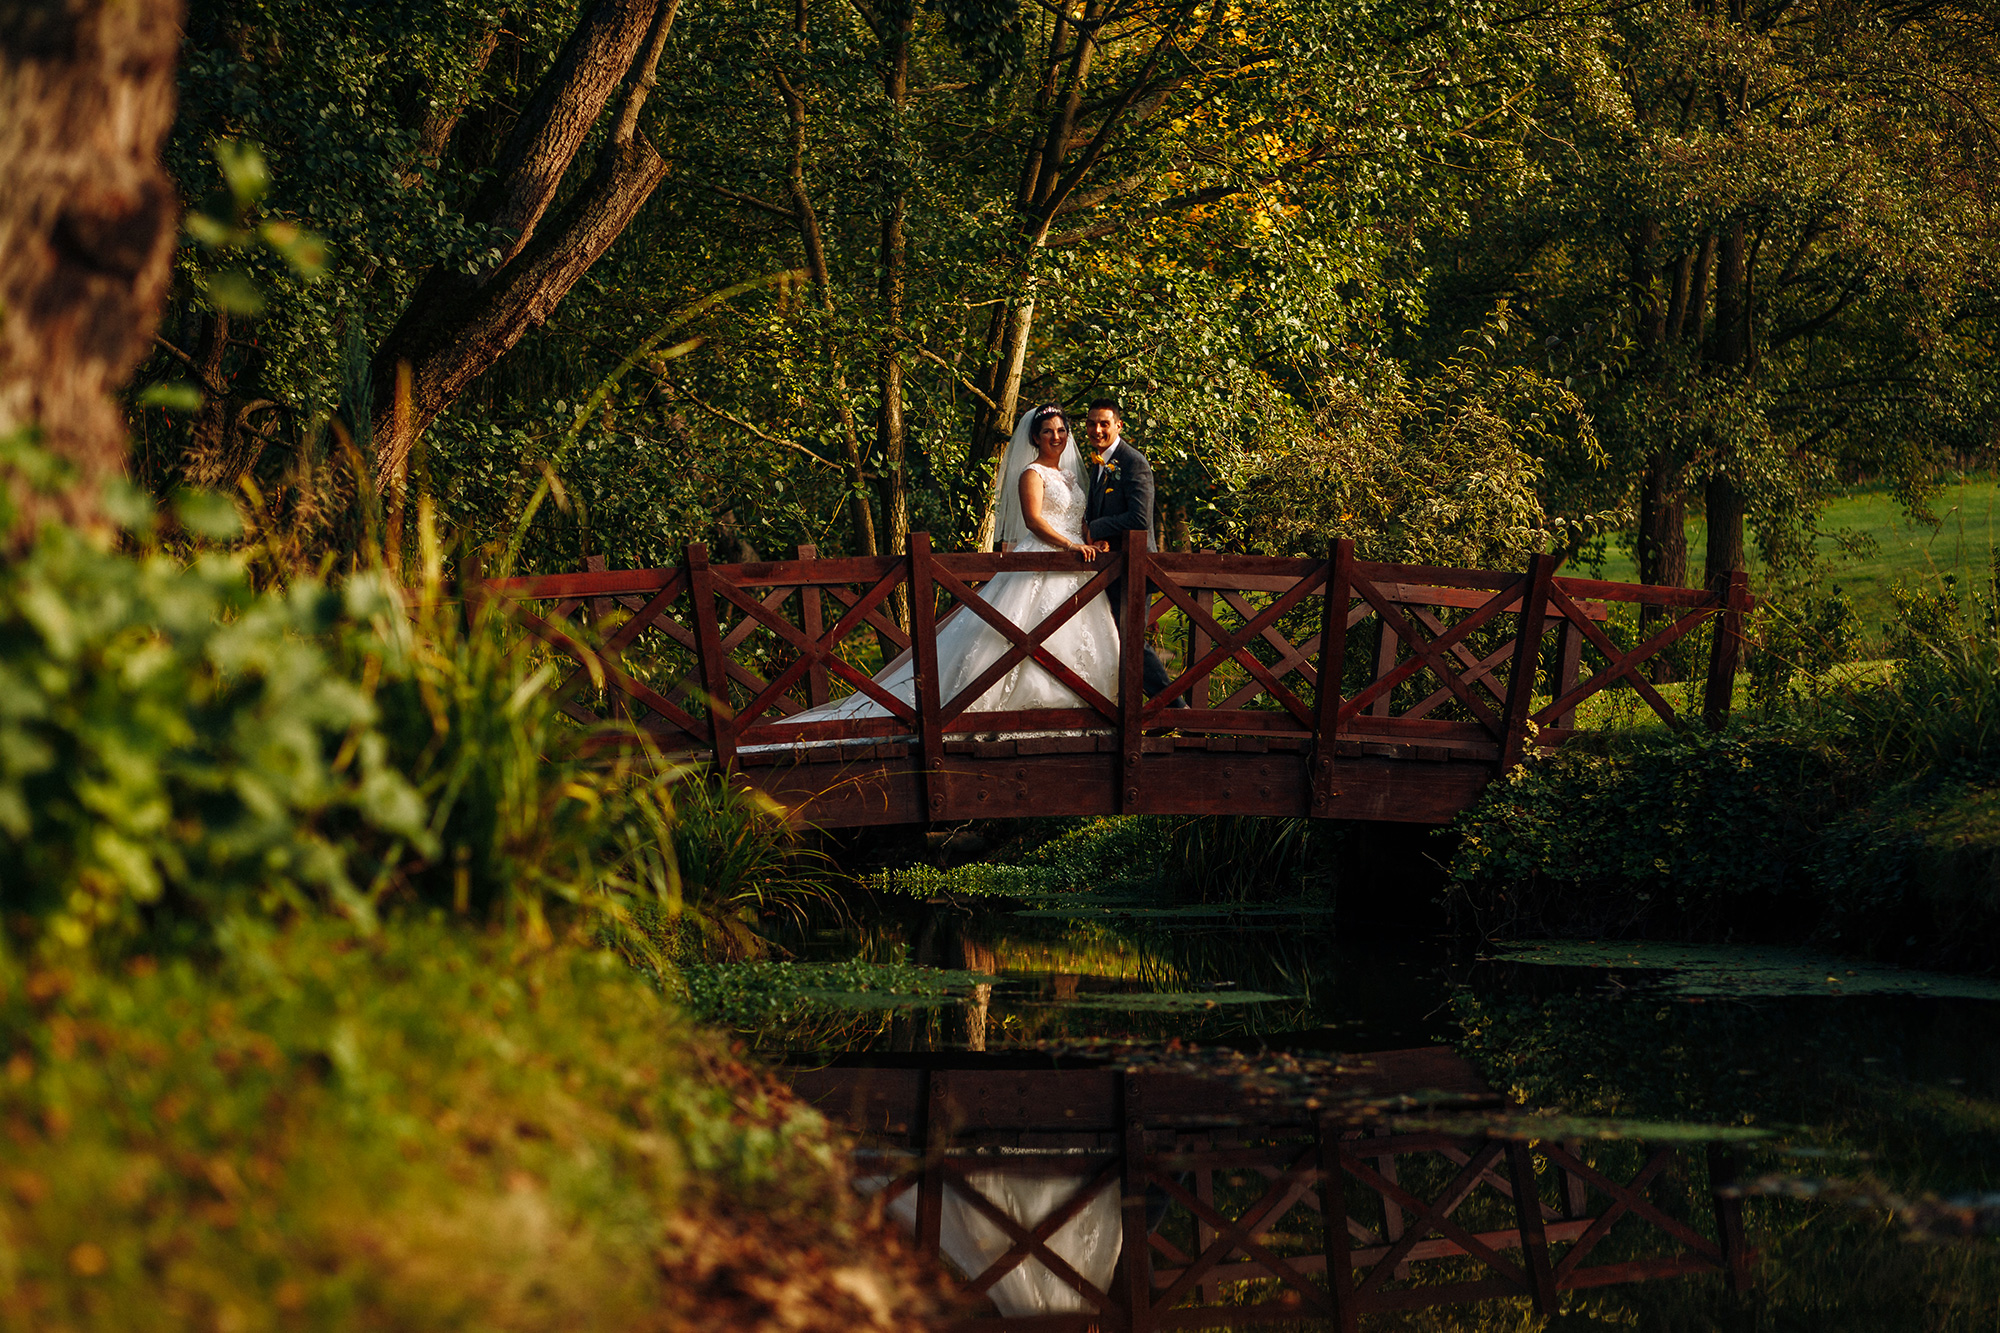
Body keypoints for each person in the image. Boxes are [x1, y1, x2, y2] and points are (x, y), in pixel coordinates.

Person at [744, 405, 1120, 748]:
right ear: (1034, 438)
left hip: (1077, 563)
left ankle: (1075, 712)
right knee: (1017, 636)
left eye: (1061, 430)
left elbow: (1078, 519)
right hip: (1045, 559)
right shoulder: (1031, 473)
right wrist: (1069, 547)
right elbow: (1035, 521)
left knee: (1071, 639)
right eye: (1048, 431)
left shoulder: (1072, 476)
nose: (1056, 436)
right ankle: (999, 711)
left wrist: (1091, 541)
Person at [1082, 398, 1178, 703]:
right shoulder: (1097, 464)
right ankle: (1128, 708)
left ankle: (1172, 705)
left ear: (1118, 425)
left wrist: (1094, 529)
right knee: (1111, 640)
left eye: (1104, 423)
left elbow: (1139, 519)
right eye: (1091, 423)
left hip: (1134, 569)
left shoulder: (1132, 461)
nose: (1097, 429)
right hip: (1110, 567)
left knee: (1130, 641)